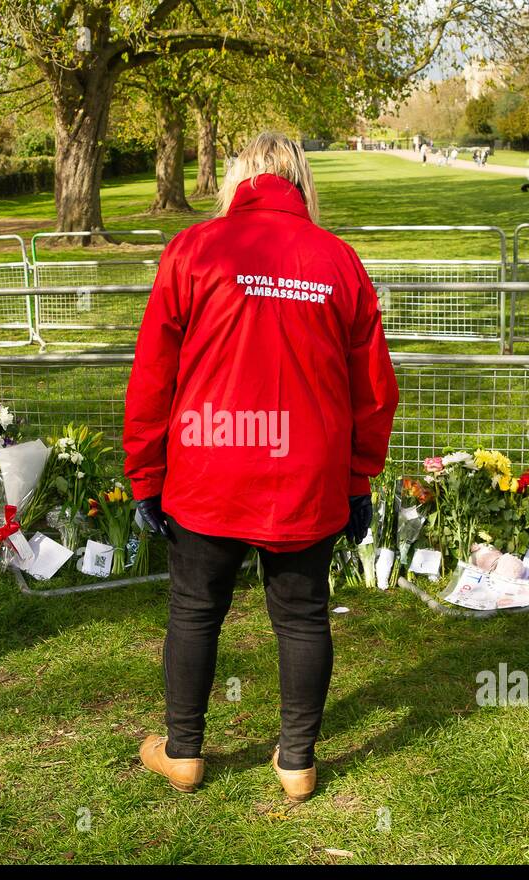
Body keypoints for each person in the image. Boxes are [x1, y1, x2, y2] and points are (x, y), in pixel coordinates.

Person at [124, 131, 399, 801]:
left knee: (194, 611)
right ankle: (296, 762)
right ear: (301, 180)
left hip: (207, 465)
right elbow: (374, 387)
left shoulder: (193, 249)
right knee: (303, 617)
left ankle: (184, 750)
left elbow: (153, 373)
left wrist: (145, 472)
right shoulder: (338, 259)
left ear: (237, 179)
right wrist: (360, 474)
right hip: (307, 470)